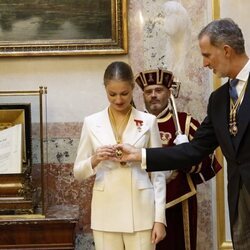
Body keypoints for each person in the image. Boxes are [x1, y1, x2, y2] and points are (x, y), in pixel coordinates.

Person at [114, 18, 250, 250]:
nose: (204, 63)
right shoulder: (218, 100)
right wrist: (141, 155)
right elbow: (194, 150)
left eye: (207, 55)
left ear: (226, 50)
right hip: (240, 198)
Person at [74, 61, 167, 250]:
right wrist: (96, 158)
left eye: (124, 93)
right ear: (105, 89)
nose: (118, 100)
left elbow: (159, 174)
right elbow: (78, 172)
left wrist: (159, 219)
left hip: (141, 211)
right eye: (112, 94)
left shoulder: (148, 121)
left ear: (133, 88)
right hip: (105, 211)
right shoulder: (91, 122)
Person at [135, 68, 221, 250]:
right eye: (148, 92)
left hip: (179, 201)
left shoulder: (185, 123)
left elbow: (208, 162)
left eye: (159, 90)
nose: (153, 96)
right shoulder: (134, 124)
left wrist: (186, 155)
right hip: (141, 203)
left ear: (169, 92)